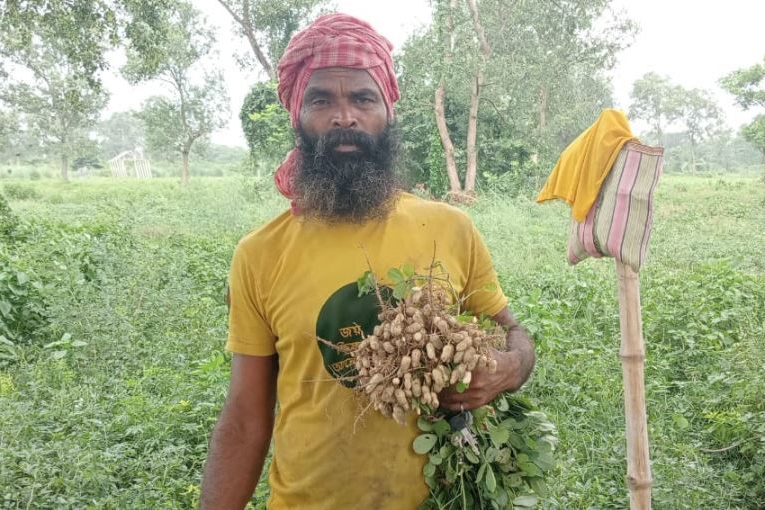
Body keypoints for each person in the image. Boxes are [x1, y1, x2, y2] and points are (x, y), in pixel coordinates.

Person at [199, 13, 535, 509]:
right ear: (297, 116)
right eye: (321, 100)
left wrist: (511, 367)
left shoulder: (450, 228)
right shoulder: (259, 254)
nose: (344, 117)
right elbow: (246, 418)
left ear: (387, 114)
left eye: (362, 98)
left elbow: (513, 332)